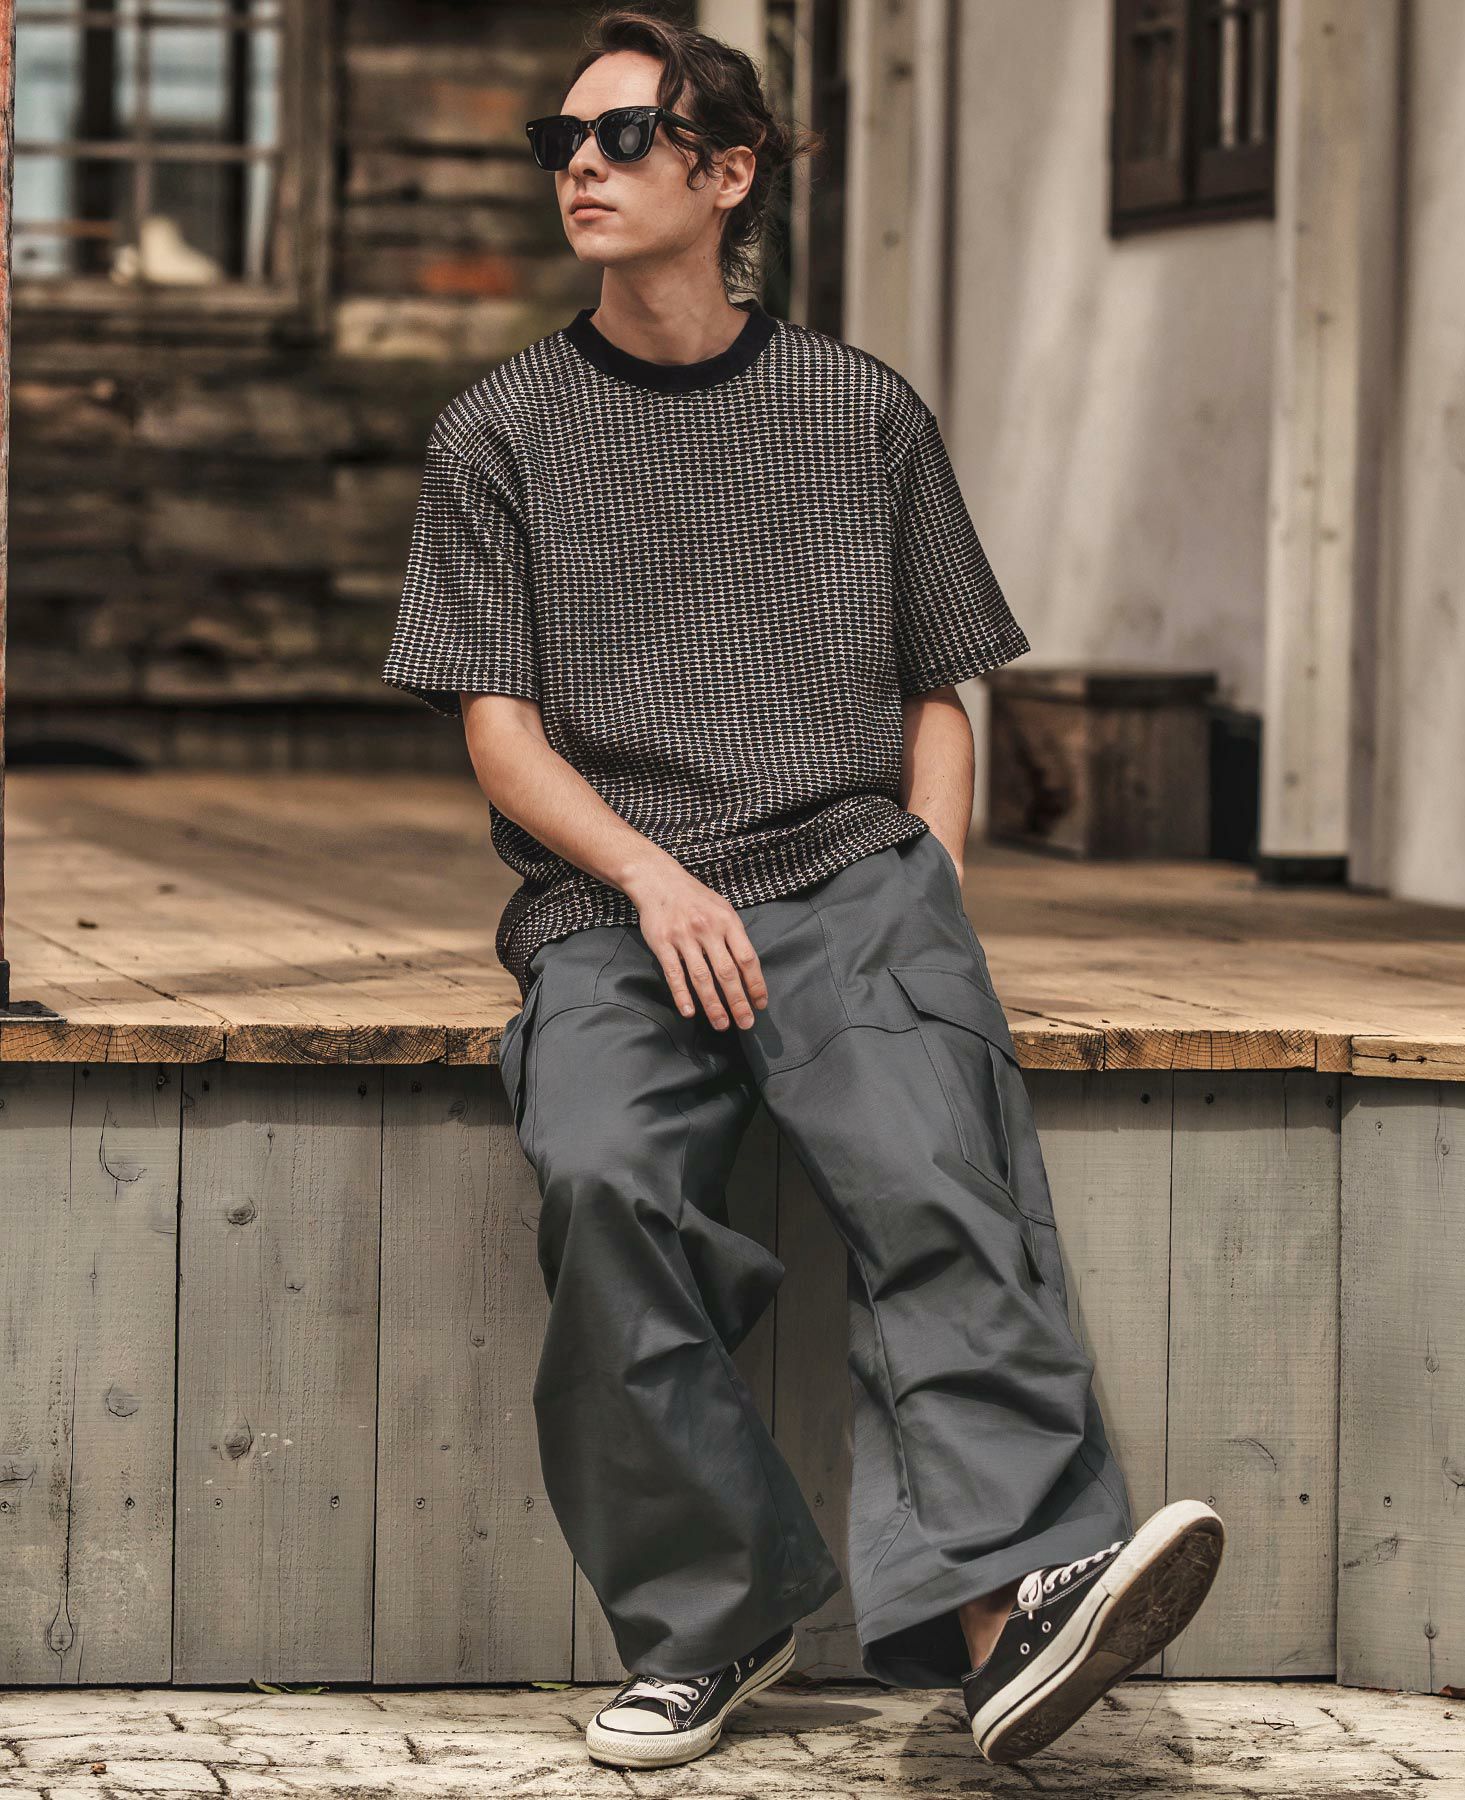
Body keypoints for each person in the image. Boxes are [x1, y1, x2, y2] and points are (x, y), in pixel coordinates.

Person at [381, 5, 1225, 1774]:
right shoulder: (497, 431)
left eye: (622, 135)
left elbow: (940, 682)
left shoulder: (860, 412)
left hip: (849, 872)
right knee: (605, 1178)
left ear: (728, 170)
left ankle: (1017, 1612)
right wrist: (649, 876)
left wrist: (929, 879)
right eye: (560, 142)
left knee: (929, 1165)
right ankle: (714, 1620)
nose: (580, 166)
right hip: (615, 904)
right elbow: (499, 733)